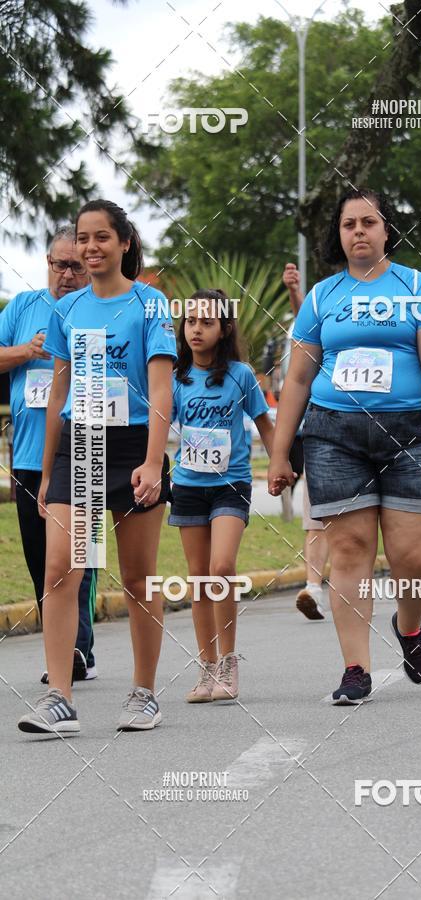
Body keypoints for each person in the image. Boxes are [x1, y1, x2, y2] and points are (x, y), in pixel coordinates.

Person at [269, 187, 421, 704]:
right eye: (349, 224)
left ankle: (409, 627)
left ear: (386, 230)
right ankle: (356, 668)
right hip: (334, 433)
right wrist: (282, 452)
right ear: (340, 234)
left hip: (412, 433)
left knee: (416, 560)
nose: (358, 232)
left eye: (368, 223)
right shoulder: (322, 296)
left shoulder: (417, 287)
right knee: (349, 551)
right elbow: (299, 379)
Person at [17, 200, 176, 736]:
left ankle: (145, 693)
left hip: (133, 447)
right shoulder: (69, 308)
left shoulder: (150, 303)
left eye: (101, 237)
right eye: (83, 238)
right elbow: (60, 386)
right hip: (79, 447)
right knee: (63, 566)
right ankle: (60, 698)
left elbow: (160, 387)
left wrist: (155, 459)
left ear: (124, 242)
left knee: (136, 577)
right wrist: (45, 470)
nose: (90, 248)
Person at [0, 226, 98, 683]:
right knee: (41, 559)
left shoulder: (97, 307)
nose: (68, 274)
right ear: (48, 263)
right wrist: (27, 350)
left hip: (84, 451)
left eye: (77, 265)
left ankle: (77, 650)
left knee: (79, 555)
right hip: (27, 456)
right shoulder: (22, 307)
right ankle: (59, 648)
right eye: (60, 265)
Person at [169, 290, 273, 702]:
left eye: (206, 322)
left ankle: (229, 663)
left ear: (224, 328)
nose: (196, 328)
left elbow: (264, 422)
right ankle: (207, 667)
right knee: (198, 580)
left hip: (231, 483)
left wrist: (280, 462)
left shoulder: (241, 375)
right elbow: (159, 426)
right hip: (189, 486)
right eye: (190, 321)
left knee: (222, 566)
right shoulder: (176, 377)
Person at [282, 262, 330, 620]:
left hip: (369, 431)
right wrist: (295, 292)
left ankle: (356, 590)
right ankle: (313, 587)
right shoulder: (314, 325)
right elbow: (306, 322)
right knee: (317, 517)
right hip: (320, 433)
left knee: (357, 523)